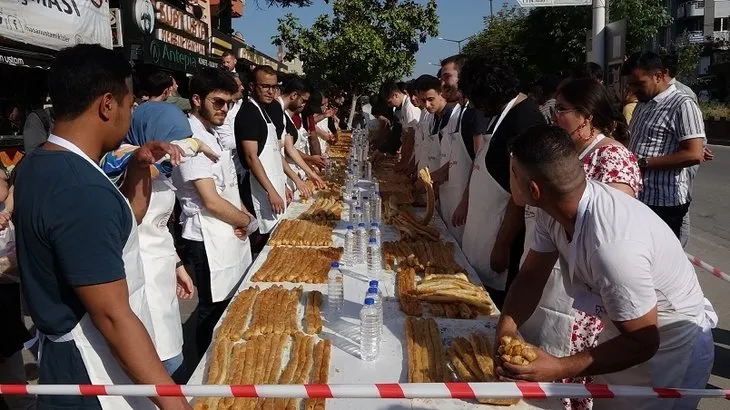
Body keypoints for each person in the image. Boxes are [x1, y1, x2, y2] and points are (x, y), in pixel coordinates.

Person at [14, 43, 190, 410]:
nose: (132, 116)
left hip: (64, 365)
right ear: (107, 105)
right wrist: (177, 405)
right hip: (93, 371)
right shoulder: (80, 188)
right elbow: (113, 317)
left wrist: (139, 166)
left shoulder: (36, 164)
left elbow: (121, 224)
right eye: (130, 105)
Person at [496, 124, 715, 410]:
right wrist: (506, 330)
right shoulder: (552, 210)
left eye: (513, 172)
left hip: (669, 345)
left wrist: (558, 368)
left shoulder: (613, 245)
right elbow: (532, 275)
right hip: (624, 330)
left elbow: (644, 341)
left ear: (533, 189)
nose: (508, 177)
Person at [520, 78, 641, 410]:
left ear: (587, 116)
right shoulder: (566, 153)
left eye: (561, 110)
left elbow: (612, 235)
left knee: (569, 385)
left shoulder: (613, 157)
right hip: (550, 276)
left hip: (587, 297)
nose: (554, 117)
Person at [101, 97, 220, 381]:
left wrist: (177, 265)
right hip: (136, 274)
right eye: (173, 140)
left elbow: (160, 225)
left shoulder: (161, 165)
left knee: (169, 346)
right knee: (162, 364)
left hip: (161, 267)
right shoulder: (120, 158)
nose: (176, 149)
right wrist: (197, 145)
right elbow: (149, 162)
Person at [172, 68, 254, 358]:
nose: (224, 109)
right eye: (218, 102)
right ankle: (204, 368)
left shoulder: (213, 132)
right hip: (205, 234)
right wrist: (248, 222)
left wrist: (244, 215)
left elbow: (229, 186)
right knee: (211, 307)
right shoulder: (190, 135)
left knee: (228, 303)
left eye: (229, 103)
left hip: (226, 229)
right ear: (196, 99)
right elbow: (210, 200)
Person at [458, 57, 546, 309]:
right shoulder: (502, 115)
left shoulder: (524, 119)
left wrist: (502, 245)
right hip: (485, 226)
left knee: (492, 305)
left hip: (504, 234)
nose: (474, 105)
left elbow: (520, 194)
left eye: (476, 98)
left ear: (491, 92)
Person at [623, 51, 706, 238]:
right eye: (631, 85)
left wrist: (642, 163)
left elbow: (693, 154)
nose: (634, 89)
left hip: (665, 202)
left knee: (661, 261)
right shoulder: (643, 104)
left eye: (639, 83)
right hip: (639, 196)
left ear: (659, 76)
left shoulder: (682, 104)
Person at [236, 65, 290, 254]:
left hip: (273, 186)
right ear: (252, 86)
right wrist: (271, 191)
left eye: (274, 87)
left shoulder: (265, 110)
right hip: (257, 190)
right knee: (263, 247)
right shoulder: (249, 114)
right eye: (265, 86)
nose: (270, 91)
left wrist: (283, 185)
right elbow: (252, 158)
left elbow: (275, 153)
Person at [0, 164, 35, 410]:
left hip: (9, 293)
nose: (7, 183)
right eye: (4, 179)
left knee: (10, 355)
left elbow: (13, 194)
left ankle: (20, 401)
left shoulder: (6, 208)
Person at [275, 77, 326, 197]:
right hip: (277, 175)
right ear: (293, 95)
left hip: (288, 173)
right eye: (303, 101)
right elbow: (277, 152)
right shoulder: (276, 111)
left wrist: (311, 173)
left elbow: (290, 148)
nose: (303, 105)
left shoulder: (282, 115)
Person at [413, 75, 457, 195]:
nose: (427, 105)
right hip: (436, 189)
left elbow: (457, 160)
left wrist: (433, 178)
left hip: (453, 189)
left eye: (431, 99)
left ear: (441, 93)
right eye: (423, 100)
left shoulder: (454, 117)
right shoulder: (432, 118)